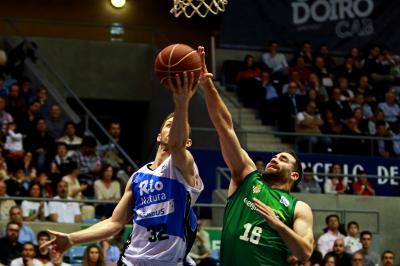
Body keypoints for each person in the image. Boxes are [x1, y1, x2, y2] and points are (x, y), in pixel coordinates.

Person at [42, 71, 204, 266]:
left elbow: (177, 146)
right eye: (169, 125)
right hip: (132, 261)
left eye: (178, 126)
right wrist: (72, 239)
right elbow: (114, 223)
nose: (174, 128)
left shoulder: (184, 167)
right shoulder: (138, 177)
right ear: (159, 135)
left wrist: (182, 103)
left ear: (188, 142)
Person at [199, 47, 314, 265]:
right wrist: (207, 86)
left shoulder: (298, 208)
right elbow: (225, 127)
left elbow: (305, 253)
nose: (274, 159)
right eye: (275, 156)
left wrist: (278, 225)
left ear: (294, 176)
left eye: (283, 159)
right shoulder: (247, 177)